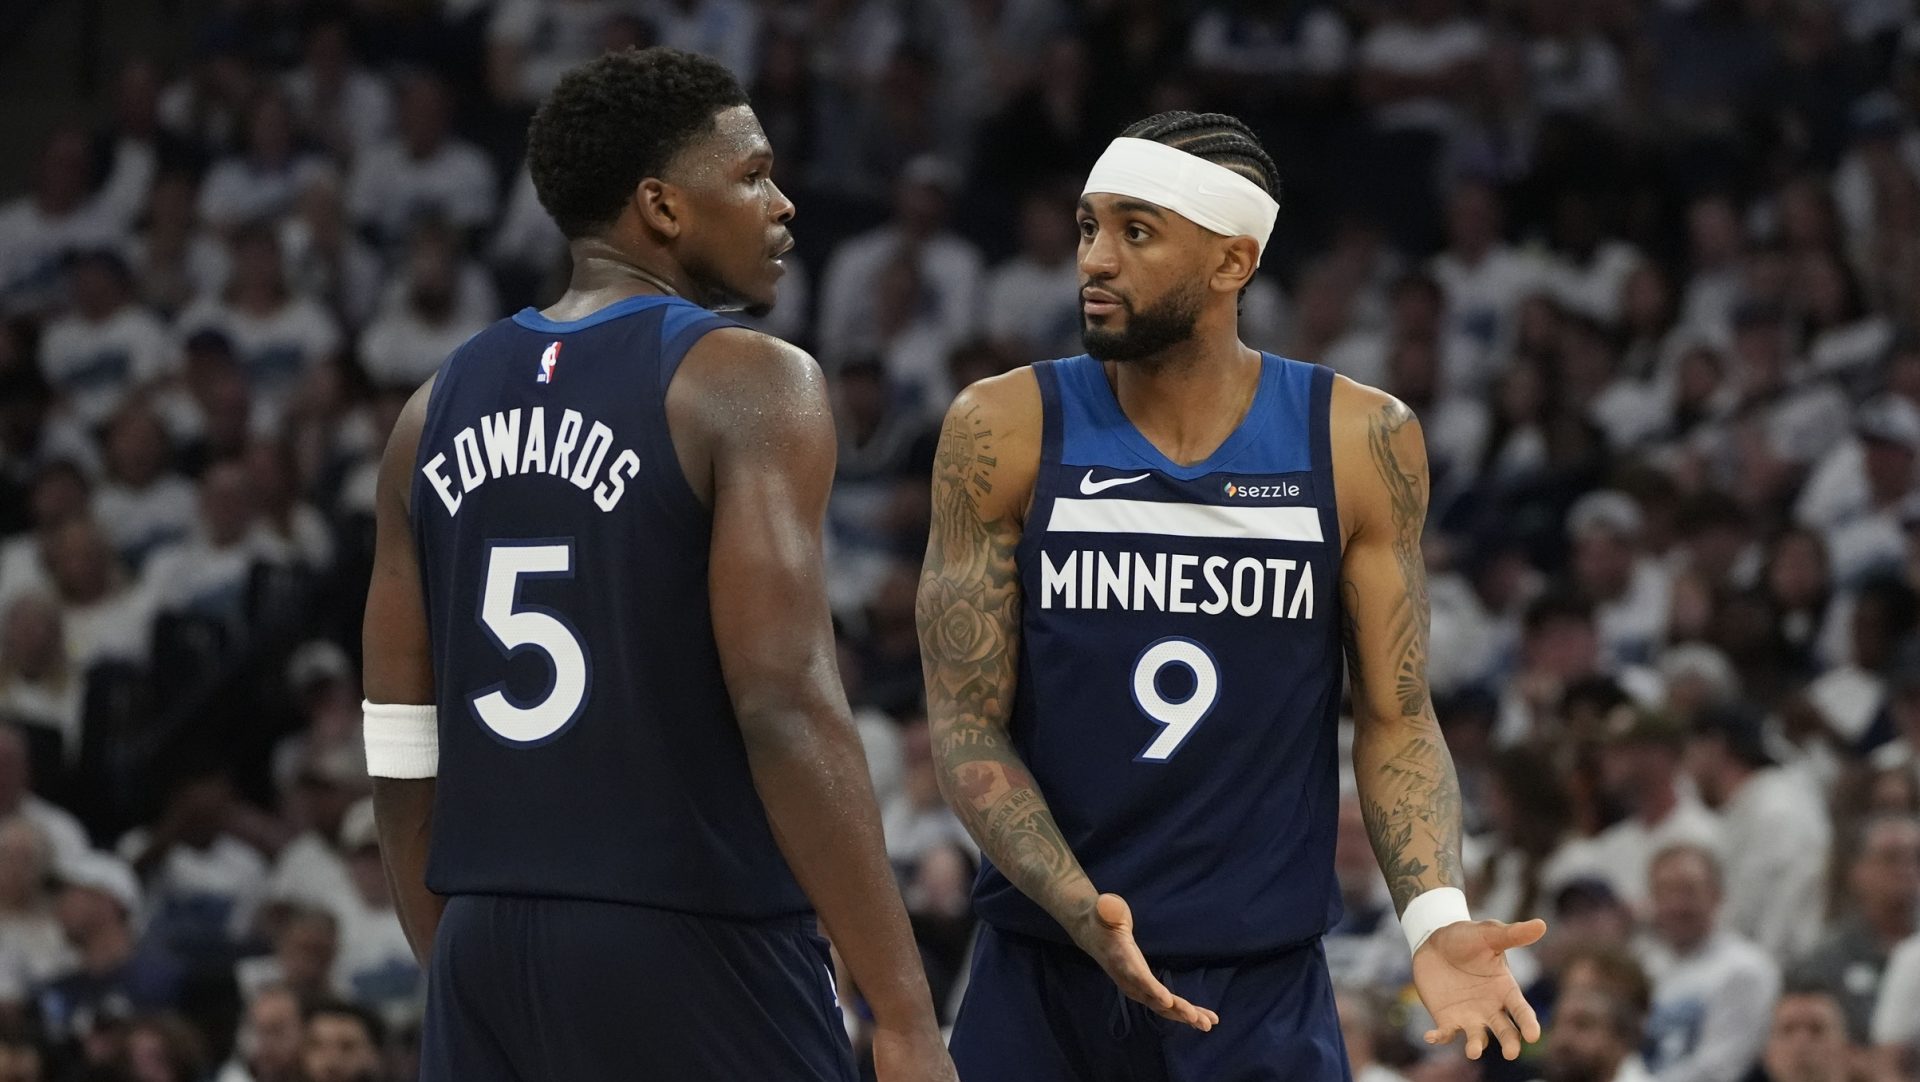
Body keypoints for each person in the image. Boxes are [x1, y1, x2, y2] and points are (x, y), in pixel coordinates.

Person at [358, 47, 952, 1082]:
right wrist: (902, 1010)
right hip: (690, 929)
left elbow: (399, 733)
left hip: (483, 938)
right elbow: (783, 701)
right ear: (662, 207)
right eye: (753, 175)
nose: (783, 204)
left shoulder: (429, 410)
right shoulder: (747, 381)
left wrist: (448, 949)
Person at [917, 110, 1544, 1080]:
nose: (1095, 259)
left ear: (1232, 262)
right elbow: (966, 724)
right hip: (1044, 969)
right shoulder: (1004, 425)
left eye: (1136, 231)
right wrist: (1079, 904)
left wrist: (1434, 915)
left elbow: (1397, 715)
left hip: (1259, 987)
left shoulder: (1358, 437)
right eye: (1088, 226)